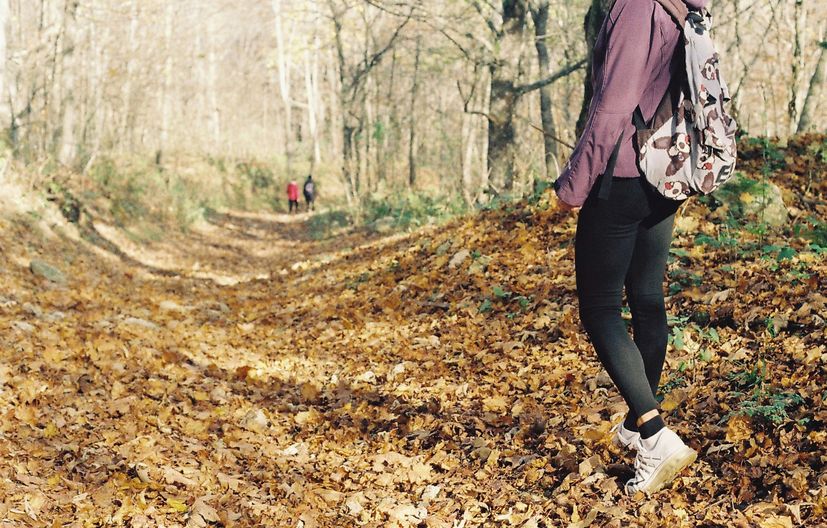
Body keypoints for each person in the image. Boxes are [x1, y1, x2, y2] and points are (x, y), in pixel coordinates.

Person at [553, 0, 704, 495]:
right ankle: (643, 424)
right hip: (667, 168)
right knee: (645, 296)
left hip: (623, 174)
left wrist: (573, 185)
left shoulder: (637, 6)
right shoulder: (681, 6)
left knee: (599, 308)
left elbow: (613, 107)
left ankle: (656, 436)